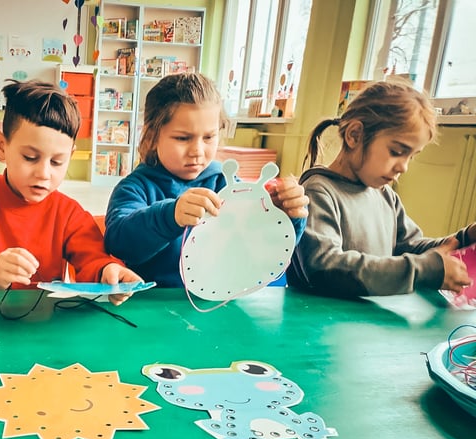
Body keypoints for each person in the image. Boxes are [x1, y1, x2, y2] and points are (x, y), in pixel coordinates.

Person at [0, 79, 141, 305]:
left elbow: (93, 258)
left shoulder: (69, 213)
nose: (43, 173)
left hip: (43, 320)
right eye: (30, 157)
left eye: (57, 162)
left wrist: (109, 271)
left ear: (70, 156)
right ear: (1, 146)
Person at [104, 72, 309, 288]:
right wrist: (170, 216)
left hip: (225, 300)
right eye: (183, 138)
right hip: (158, 302)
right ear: (152, 136)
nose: (197, 151)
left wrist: (286, 217)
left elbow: (266, 251)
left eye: (209, 137)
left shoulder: (228, 184)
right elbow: (119, 242)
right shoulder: (134, 188)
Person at [287, 80, 476, 297]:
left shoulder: (386, 196)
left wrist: (465, 239)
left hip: (368, 316)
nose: (403, 167)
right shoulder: (318, 192)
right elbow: (325, 268)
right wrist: (422, 269)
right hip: (318, 317)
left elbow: (411, 248)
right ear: (355, 135)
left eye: (411, 156)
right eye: (397, 152)